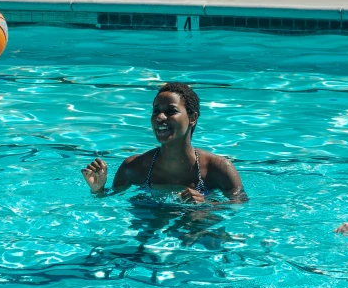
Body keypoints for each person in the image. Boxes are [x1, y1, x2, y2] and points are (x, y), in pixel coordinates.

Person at [80, 82, 246, 203]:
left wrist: (207, 205)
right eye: (156, 111)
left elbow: (241, 205)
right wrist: (98, 190)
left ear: (193, 118)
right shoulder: (133, 168)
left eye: (171, 111)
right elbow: (111, 205)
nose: (160, 118)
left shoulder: (218, 168)